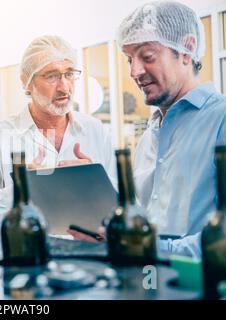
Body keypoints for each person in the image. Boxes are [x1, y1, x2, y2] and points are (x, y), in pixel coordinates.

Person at [69, 1, 226, 258]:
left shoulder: (221, 119)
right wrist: (98, 198)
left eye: (147, 57)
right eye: (129, 59)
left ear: (186, 50)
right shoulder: (149, 136)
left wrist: (148, 247)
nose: (134, 71)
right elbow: (146, 218)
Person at [0, 35, 116, 246]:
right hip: (28, 261)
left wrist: (95, 186)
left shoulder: (95, 131)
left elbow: (120, 211)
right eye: (52, 76)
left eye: (69, 74)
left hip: (91, 261)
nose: (64, 87)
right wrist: (22, 189)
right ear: (27, 82)